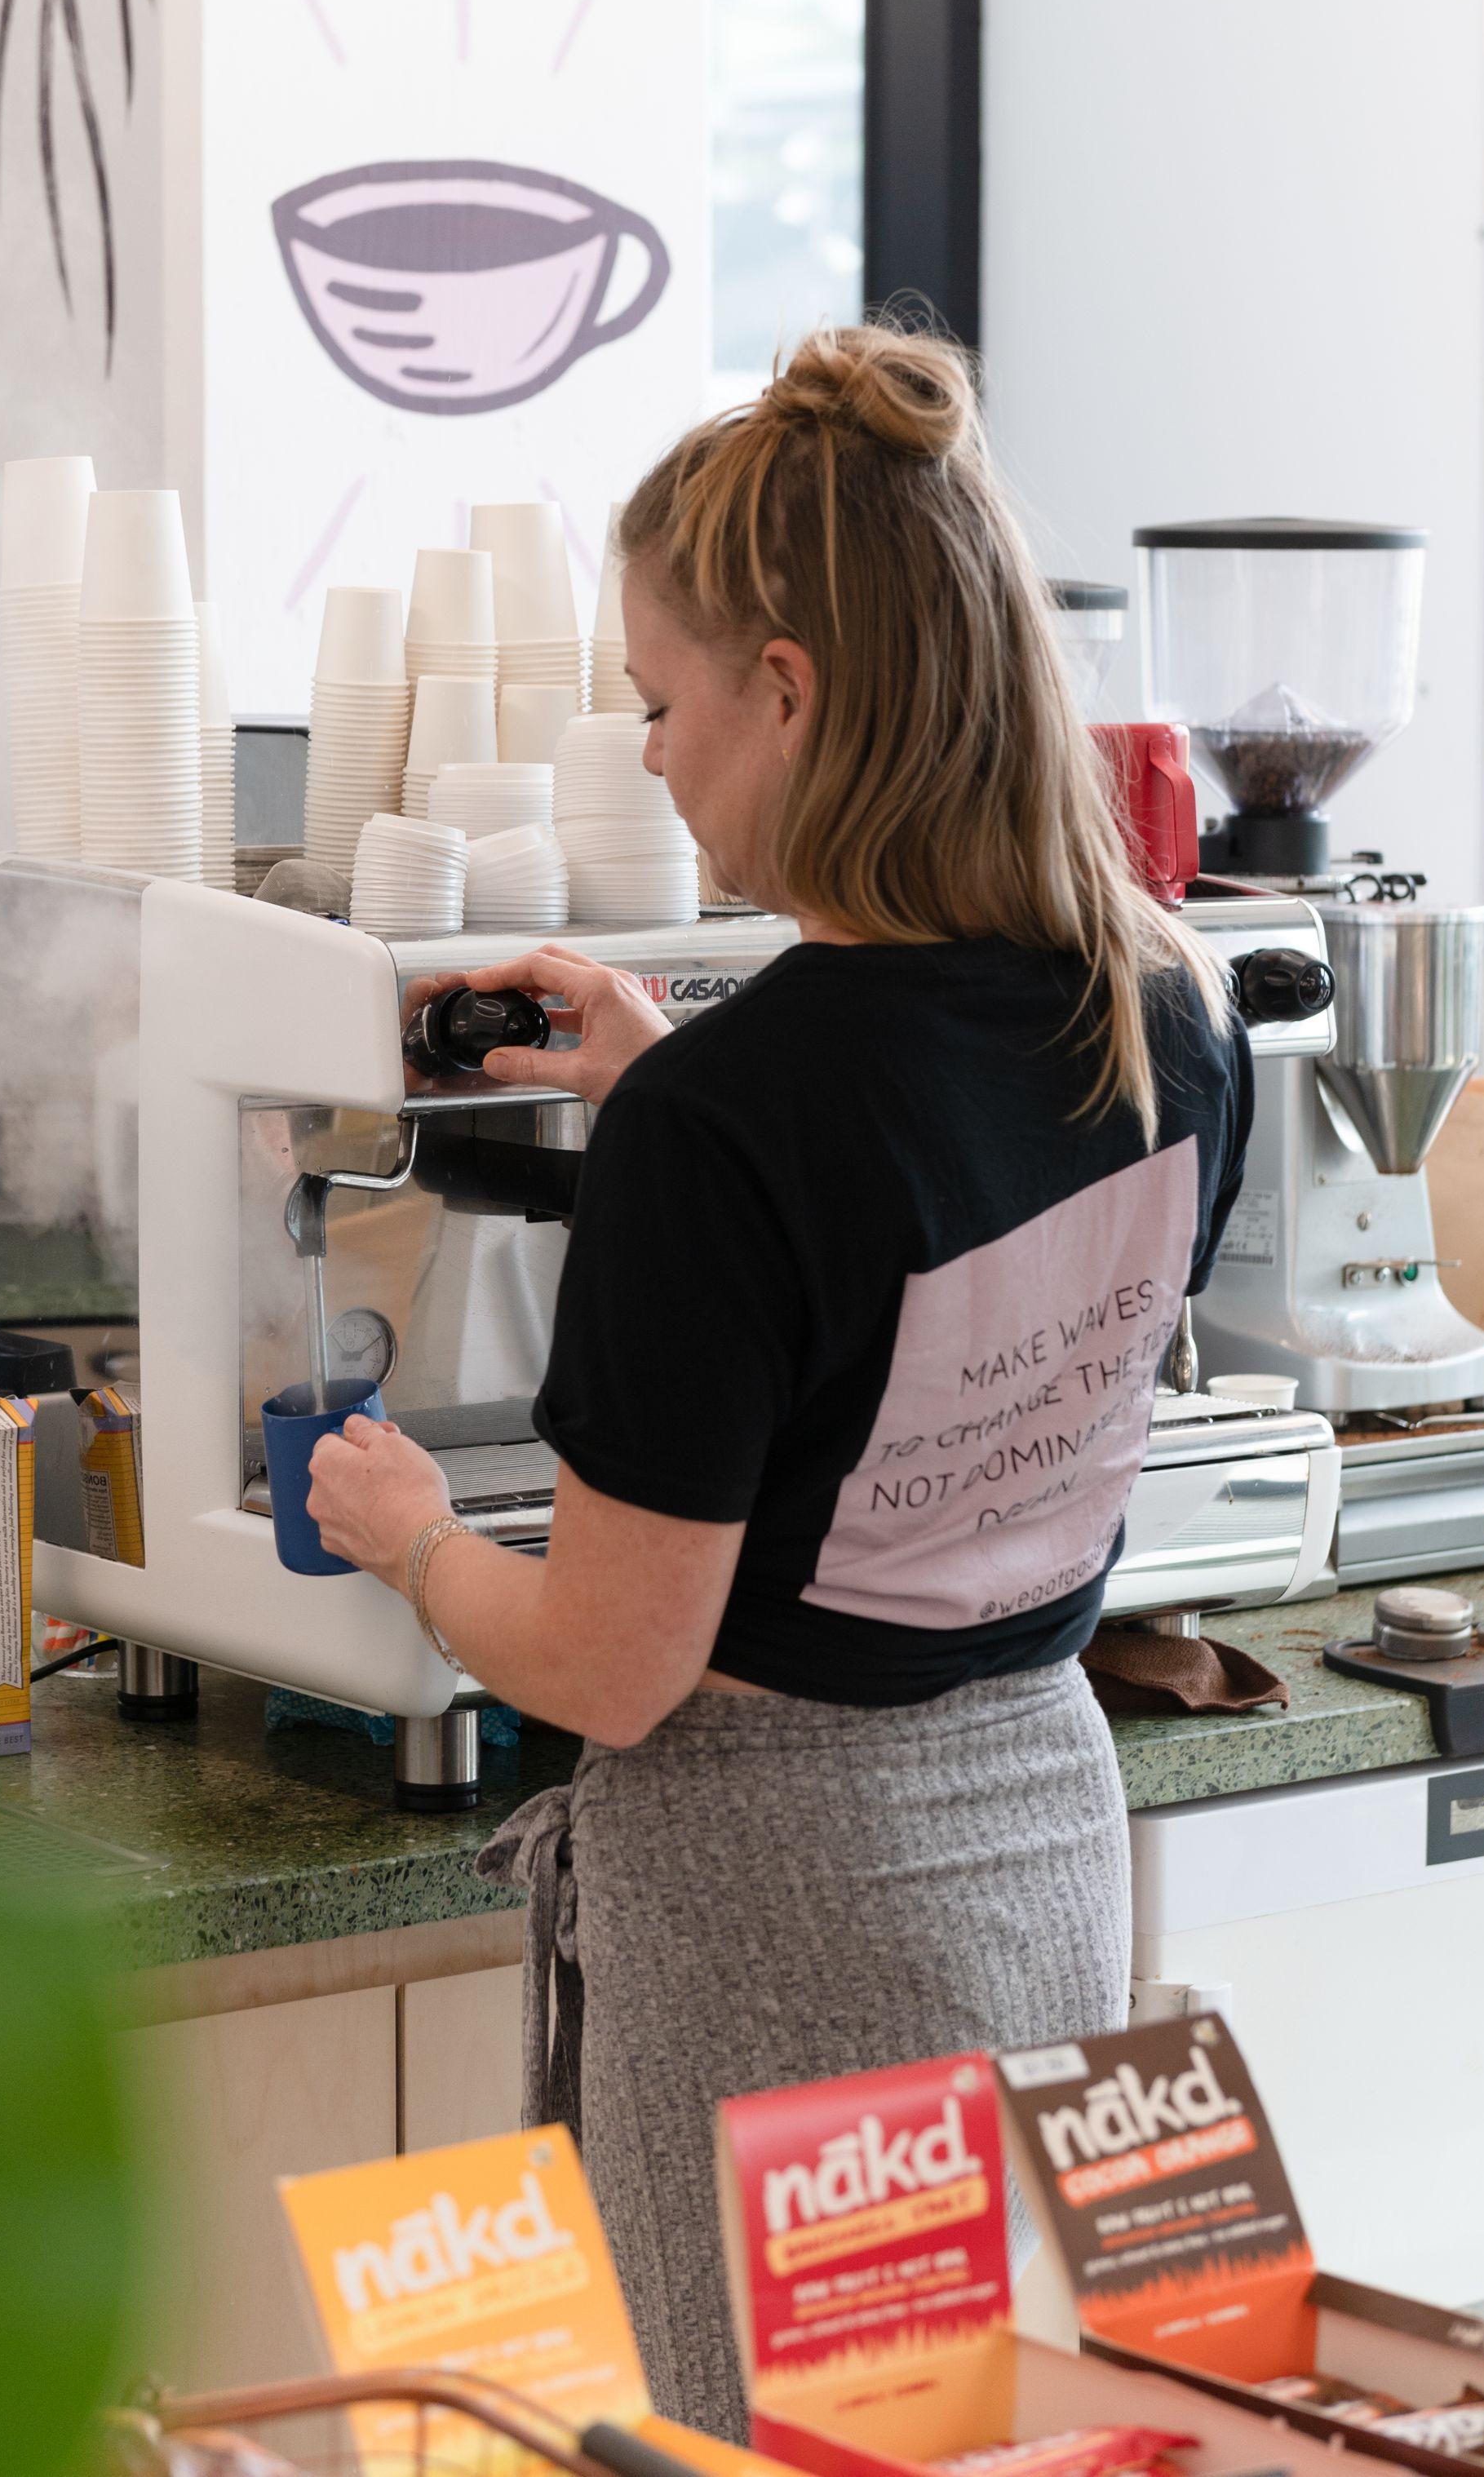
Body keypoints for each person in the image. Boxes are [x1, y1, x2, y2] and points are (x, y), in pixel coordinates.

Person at [307, 323, 1250, 2438]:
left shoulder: (734, 1127)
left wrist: (417, 1539)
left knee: (768, 2449)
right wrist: (665, 1076)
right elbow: (937, 1272)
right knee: (977, 2439)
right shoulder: (1172, 1013)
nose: (649, 755)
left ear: (789, 691)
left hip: (787, 1922)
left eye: (659, 700)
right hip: (1035, 1851)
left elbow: (615, 1671)